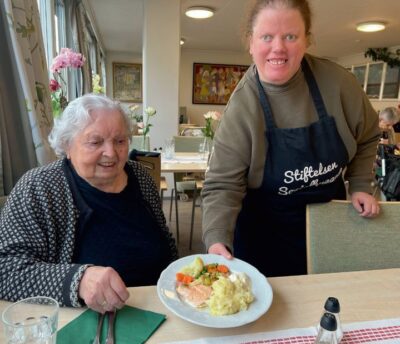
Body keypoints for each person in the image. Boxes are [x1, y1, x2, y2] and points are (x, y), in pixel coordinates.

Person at [201, 0, 380, 277]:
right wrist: (216, 239)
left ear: (306, 40)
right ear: (251, 42)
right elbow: (222, 185)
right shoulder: (242, 108)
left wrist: (359, 184)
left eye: (290, 36)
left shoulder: (339, 83)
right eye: (267, 37)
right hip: (265, 234)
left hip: (327, 226)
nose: (278, 48)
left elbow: (368, 135)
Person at [0, 94, 177, 313]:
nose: (111, 153)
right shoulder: (38, 188)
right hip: (87, 319)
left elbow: (165, 241)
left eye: (120, 141)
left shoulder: (140, 176)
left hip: (161, 309)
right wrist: (78, 280)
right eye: (95, 142)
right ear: (67, 145)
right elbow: (5, 269)